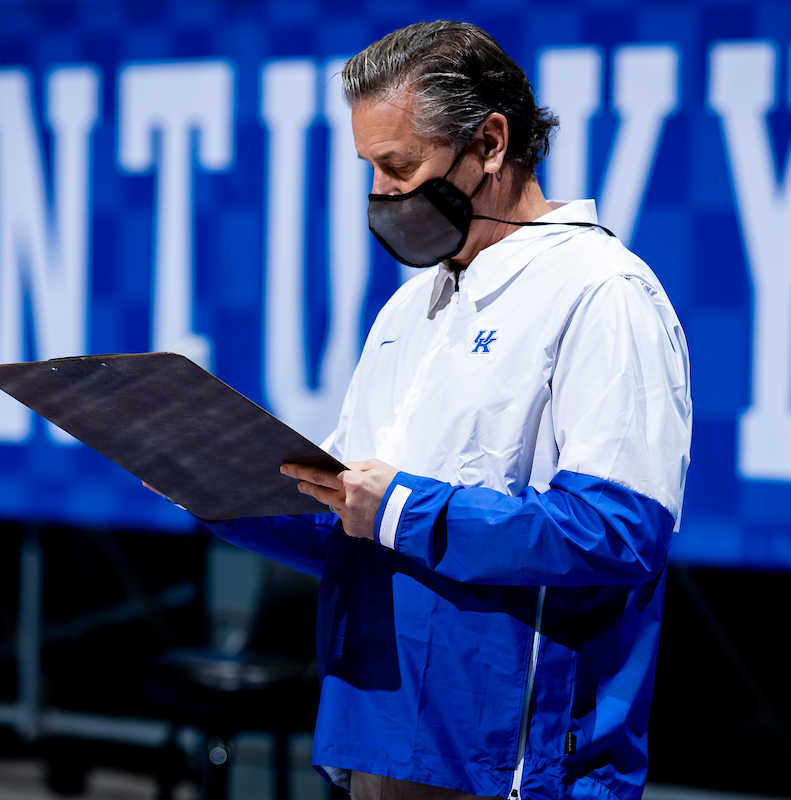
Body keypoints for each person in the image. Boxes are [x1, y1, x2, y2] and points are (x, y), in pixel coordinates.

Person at [205, 20, 691, 800]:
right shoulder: (407, 311)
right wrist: (212, 485)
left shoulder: (603, 291)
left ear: (491, 142)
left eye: (399, 166)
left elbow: (618, 533)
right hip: (378, 742)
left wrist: (400, 506)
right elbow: (355, 520)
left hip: (511, 766)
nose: (381, 195)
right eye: (369, 168)